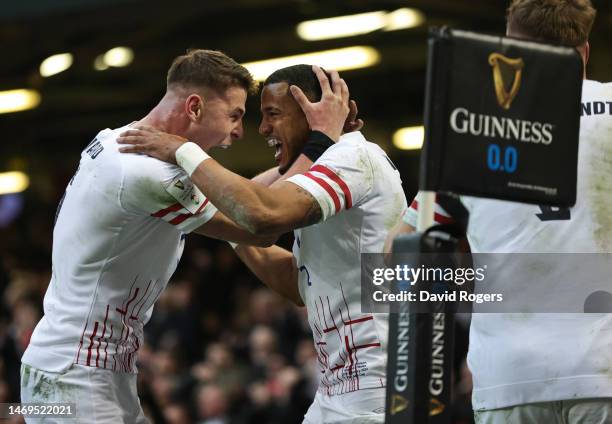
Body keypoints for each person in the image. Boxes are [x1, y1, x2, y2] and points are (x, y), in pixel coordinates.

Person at [118, 64, 408, 423]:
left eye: (273, 114)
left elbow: (262, 213)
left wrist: (183, 151)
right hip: (338, 390)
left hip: (373, 390)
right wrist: (232, 231)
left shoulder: (352, 159)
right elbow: (295, 280)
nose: (263, 128)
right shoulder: (325, 167)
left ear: (313, 113)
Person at [19, 49, 297, 423]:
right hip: (78, 376)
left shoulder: (114, 139)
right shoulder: (147, 175)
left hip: (67, 369)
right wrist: (319, 147)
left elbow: (239, 196)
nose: (238, 131)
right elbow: (258, 223)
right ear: (195, 107)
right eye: (234, 115)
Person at [386, 1, 612, 423]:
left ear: (511, 51)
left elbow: (399, 253)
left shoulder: (469, 135)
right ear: (583, 51)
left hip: (508, 377)